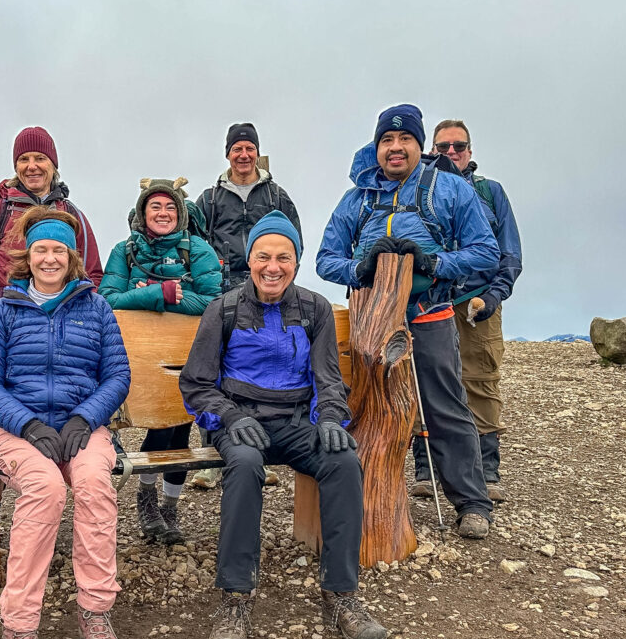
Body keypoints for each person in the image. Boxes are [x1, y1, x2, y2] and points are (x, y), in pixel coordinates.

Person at [180, 211, 388, 639]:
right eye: (263, 256)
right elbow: (196, 383)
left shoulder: (314, 309)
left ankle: (341, 594)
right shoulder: (224, 309)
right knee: (244, 465)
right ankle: (235, 598)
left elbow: (328, 378)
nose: (272, 267)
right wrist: (230, 417)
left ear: (296, 261)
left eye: (283, 258)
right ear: (249, 259)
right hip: (240, 420)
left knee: (343, 462)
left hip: (296, 422)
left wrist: (331, 419)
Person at [316, 104, 500, 540]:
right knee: (367, 408)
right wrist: (359, 269)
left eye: (404, 140)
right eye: (387, 140)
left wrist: (434, 263)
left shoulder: (450, 190)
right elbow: (326, 260)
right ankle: (364, 501)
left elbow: (486, 251)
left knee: (444, 406)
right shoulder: (357, 198)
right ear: (376, 147)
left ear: (419, 146)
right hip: (370, 319)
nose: (395, 148)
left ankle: (472, 503)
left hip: (428, 314)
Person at [0, 207, 130, 639]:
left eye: (58, 250)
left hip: (81, 426)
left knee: (95, 485)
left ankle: (96, 611)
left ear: (71, 257)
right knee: (45, 488)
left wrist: (86, 416)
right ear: (28, 255)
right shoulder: (4, 310)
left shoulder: (95, 308)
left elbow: (117, 375)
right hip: (19, 430)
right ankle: (19, 623)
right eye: (41, 249)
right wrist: (27, 425)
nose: (49, 258)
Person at [100, 177, 221, 544]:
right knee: (158, 425)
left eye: (170, 206)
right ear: (143, 212)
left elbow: (214, 301)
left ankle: (169, 507)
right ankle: (148, 499)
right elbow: (107, 298)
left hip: (187, 351)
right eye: (155, 206)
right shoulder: (124, 251)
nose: (163, 212)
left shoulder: (198, 249)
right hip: (141, 353)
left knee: (180, 427)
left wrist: (161, 297)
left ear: (180, 213)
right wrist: (160, 292)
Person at [410, 119, 523, 503]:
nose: (451, 153)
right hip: (430, 301)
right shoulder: (418, 191)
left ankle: (486, 471)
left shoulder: (491, 193)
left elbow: (509, 252)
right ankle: (426, 468)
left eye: (458, 146)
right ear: (432, 151)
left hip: (477, 300)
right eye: (443, 147)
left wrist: (494, 297)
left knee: (480, 381)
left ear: (470, 151)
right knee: (424, 381)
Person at [192, 123, 301, 490]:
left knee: (262, 367)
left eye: (248, 148)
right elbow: (198, 243)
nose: (243, 155)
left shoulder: (276, 196)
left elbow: (295, 241)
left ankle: (260, 453)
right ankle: (213, 456)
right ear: (228, 154)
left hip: (266, 290)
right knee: (216, 371)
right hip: (221, 292)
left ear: (257, 152)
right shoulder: (210, 199)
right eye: (236, 148)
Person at [0, 126, 104, 335]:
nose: (31, 166)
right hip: (5, 320)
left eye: (40, 158)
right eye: (24, 159)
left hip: (60, 324)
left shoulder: (72, 214)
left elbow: (92, 274)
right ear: (16, 166)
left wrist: (83, 315)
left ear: (53, 165)